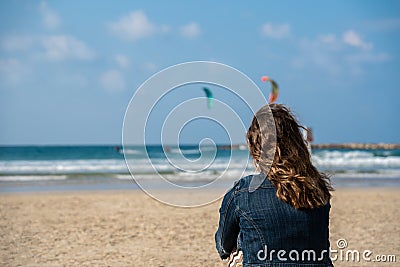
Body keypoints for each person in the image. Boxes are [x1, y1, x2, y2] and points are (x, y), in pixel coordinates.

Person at [215, 104, 333, 266]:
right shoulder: (317, 188)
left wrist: (241, 244)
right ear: (296, 144)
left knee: (245, 233)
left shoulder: (243, 191)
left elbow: (223, 247)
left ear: (256, 147)